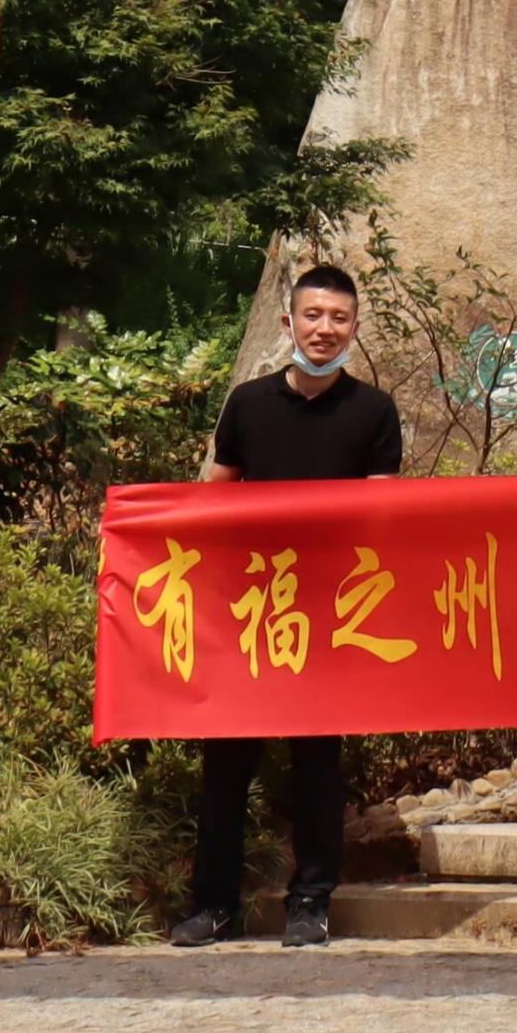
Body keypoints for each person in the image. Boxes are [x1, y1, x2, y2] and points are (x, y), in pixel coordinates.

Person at [172, 263, 401, 949]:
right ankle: (213, 902)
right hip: (250, 608)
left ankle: (311, 900)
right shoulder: (247, 403)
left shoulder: (373, 411)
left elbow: (385, 516)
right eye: (313, 315)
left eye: (339, 318)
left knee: (316, 762)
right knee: (226, 760)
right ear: (289, 322)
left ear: (354, 328)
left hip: (328, 612)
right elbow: (212, 496)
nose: (324, 329)